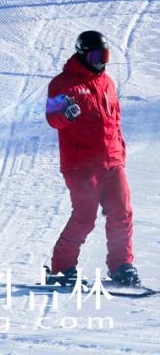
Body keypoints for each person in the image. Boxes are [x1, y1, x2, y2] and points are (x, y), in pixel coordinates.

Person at [44, 30, 139, 288]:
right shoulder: (63, 83)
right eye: (97, 56)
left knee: (122, 213)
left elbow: (113, 121)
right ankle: (61, 269)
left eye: (105, 56)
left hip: (112, 161)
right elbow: (53, 117)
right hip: (81, 164)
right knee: (85, 217)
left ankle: (121, 265)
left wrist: (120, 151)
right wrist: (67, 114)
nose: (102, 62)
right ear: (83, 54)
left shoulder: (106, 82)